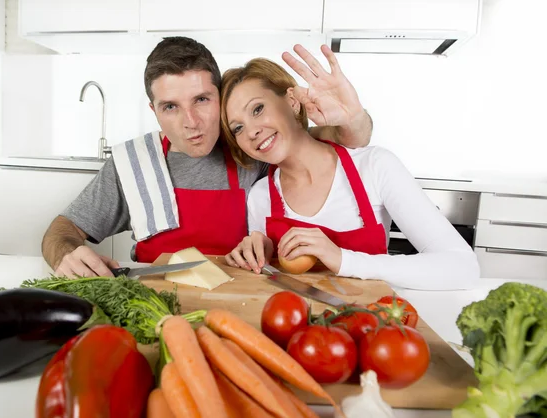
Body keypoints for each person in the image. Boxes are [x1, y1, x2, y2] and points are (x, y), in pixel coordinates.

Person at [41, 37, 373, 277]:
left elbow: (348, 138)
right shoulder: (134, 163)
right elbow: (61, 229)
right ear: (153, 111)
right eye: (170, 106)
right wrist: (66, 253)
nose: (191, 122)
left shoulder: (253, 145)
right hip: (156, 310)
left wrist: (352, 115)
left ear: (220, 97)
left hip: (242, 304)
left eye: (201, 99)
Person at [221, 50, 480, 290]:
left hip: (368, 326)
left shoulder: (375, 166)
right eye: (238, 128)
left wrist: (342, 259)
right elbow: (267, 285)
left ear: (292, 101)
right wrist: (259, 255)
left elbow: (463, 268)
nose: (252, 131)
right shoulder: (260, 195)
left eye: (257, 109)